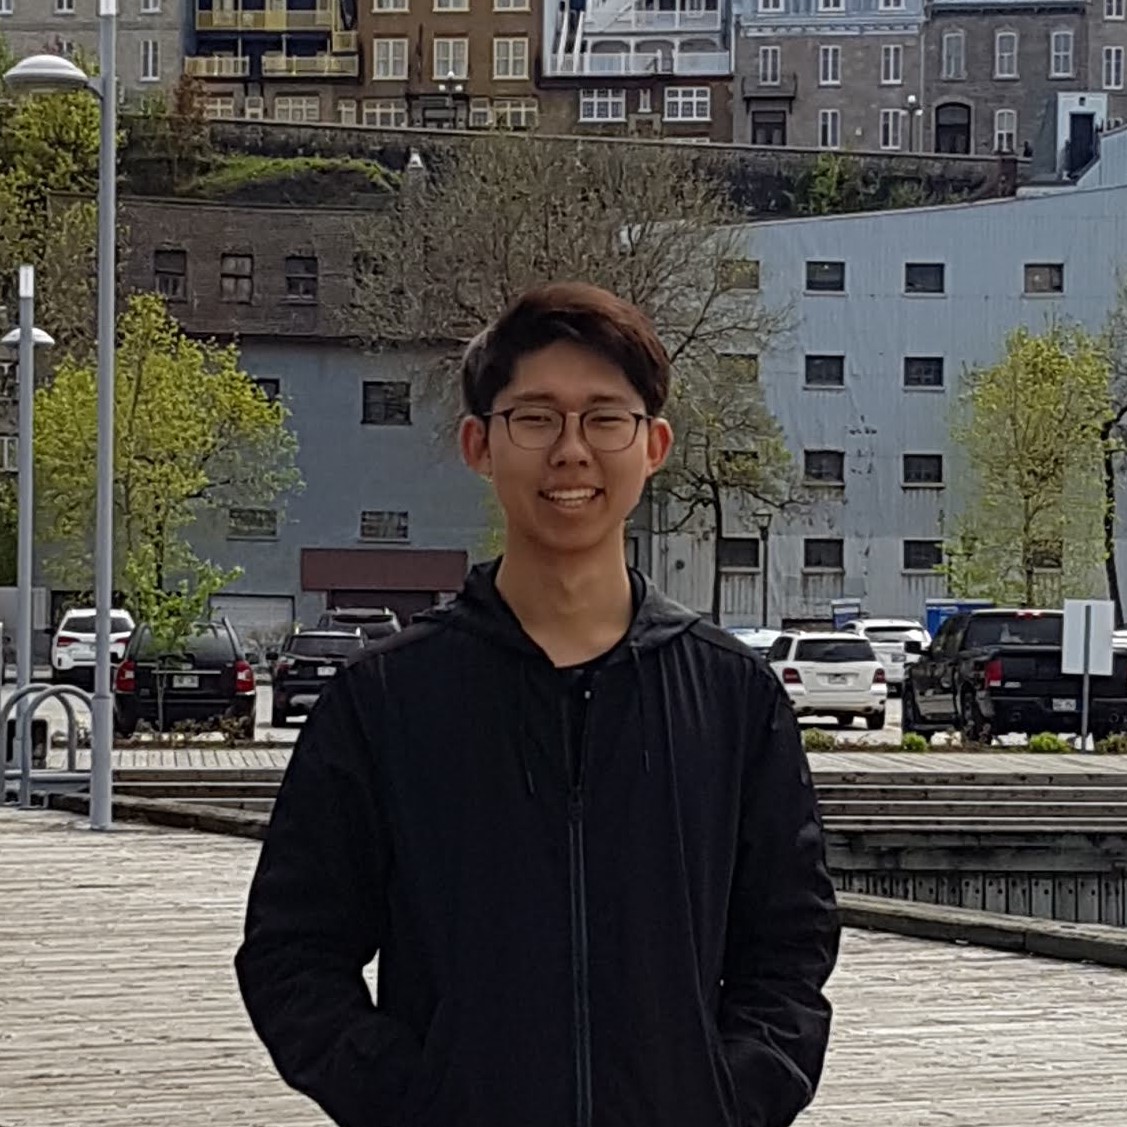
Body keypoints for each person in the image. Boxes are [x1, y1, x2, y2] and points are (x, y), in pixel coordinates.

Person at [235, 282, 840, 1127]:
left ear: (652, 444)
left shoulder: (732, 698)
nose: (571, 450)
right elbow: (292, 954)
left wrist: (724, 1096)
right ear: (479, 444)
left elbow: (788, 947)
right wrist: (414, 1099)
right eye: (535, 417)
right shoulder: (386, 702)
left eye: (604, 417)